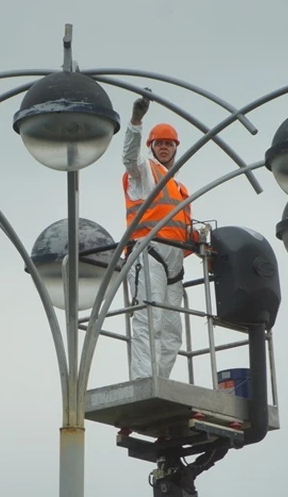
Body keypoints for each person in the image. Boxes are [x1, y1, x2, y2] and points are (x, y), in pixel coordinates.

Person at [122, 94, 194, 380]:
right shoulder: (145, 172)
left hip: (174, 261)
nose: (164, 147)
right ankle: (143, 384)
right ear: (151, 146)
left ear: (176, 148)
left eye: (169, 144)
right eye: (159, 143)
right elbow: (130, 158)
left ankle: (160, 385)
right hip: (148, 253)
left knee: (172, 332)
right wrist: (135, 123)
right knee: (148, 319)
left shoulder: (180, 187)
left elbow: (181, 229)